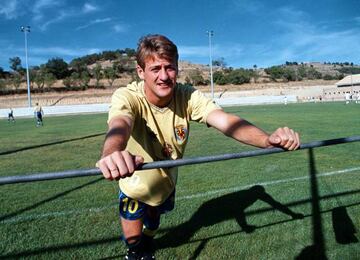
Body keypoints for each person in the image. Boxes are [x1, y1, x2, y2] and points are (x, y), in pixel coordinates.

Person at [96, 34, 300, 260]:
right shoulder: (127, 96)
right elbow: (119, 125)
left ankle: (149, 239)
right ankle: (136, 252)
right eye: (155, 69)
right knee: (135, 246)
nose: (164, 76)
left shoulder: (187, 96)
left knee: (153, 222)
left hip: (166, 182)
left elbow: (226, 121)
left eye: (170, 68)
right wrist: (112, 152)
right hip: (134, 185)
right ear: (140, 71)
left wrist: (267, 139)